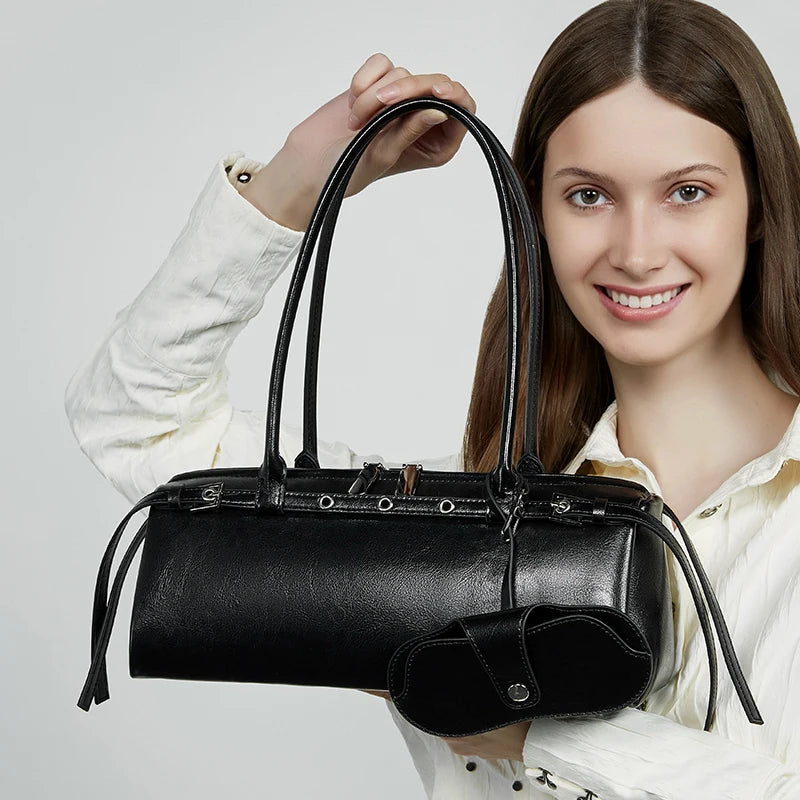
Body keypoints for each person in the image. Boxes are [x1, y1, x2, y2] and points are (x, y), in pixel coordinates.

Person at [64, 0, 800, 796]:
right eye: (588, 195)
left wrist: (520, 730)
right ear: (534, 216)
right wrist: (297, 183)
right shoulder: (452, 536)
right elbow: (135, 422)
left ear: (759, 205)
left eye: (687, 192)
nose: (636, 250)